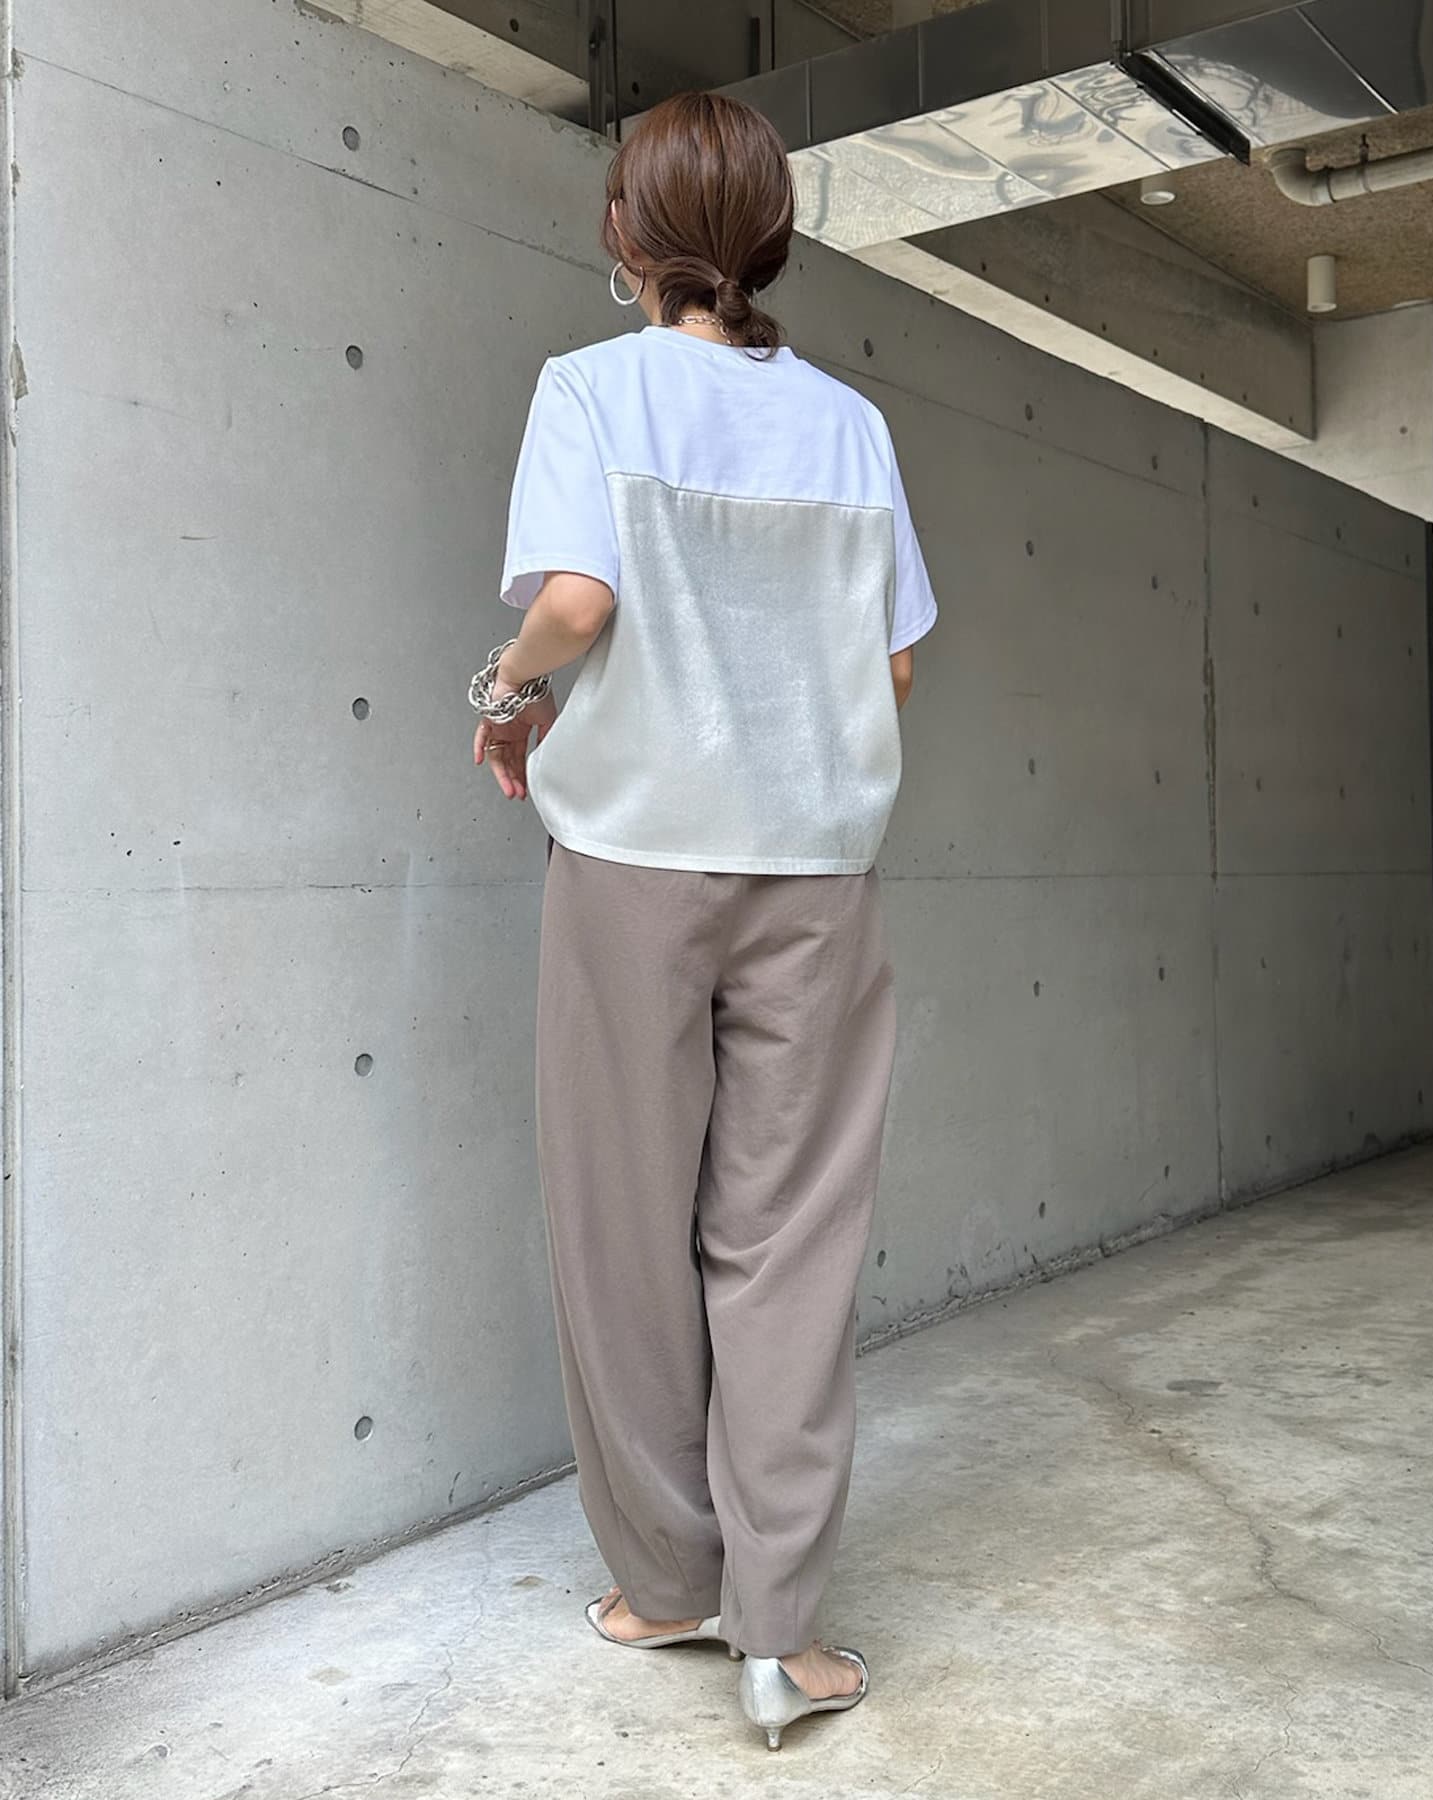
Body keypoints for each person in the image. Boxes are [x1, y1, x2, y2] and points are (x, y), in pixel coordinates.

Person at [469, 89, 937, 1752]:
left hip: (633, 862)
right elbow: (894, 664)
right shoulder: (851, 427)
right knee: (789, 1241)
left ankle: (667, 1583)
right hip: (814, 873)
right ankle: (782, 1638)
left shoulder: (589, 390)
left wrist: (505, 694)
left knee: (622, 1226)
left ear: (626, 231)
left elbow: (577, 601)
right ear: (772, 240)